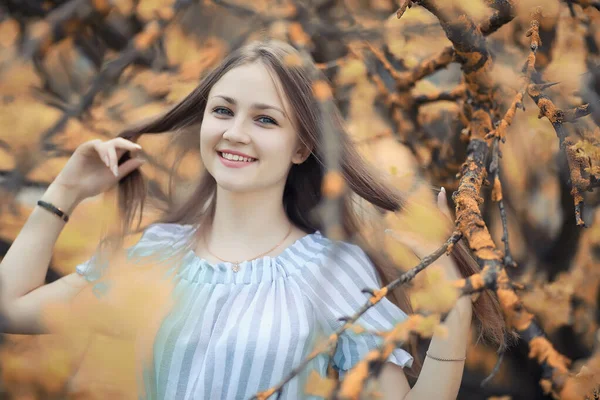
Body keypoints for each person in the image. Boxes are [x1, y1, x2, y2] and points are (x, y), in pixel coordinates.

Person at [0, 40, 506, 399]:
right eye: (222, 111)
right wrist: (64, 191)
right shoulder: (155, 254)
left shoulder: (337, 274)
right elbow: (10, 310)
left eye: (265, 119)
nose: (235, 133)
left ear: (303, 145)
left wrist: (455, 312)